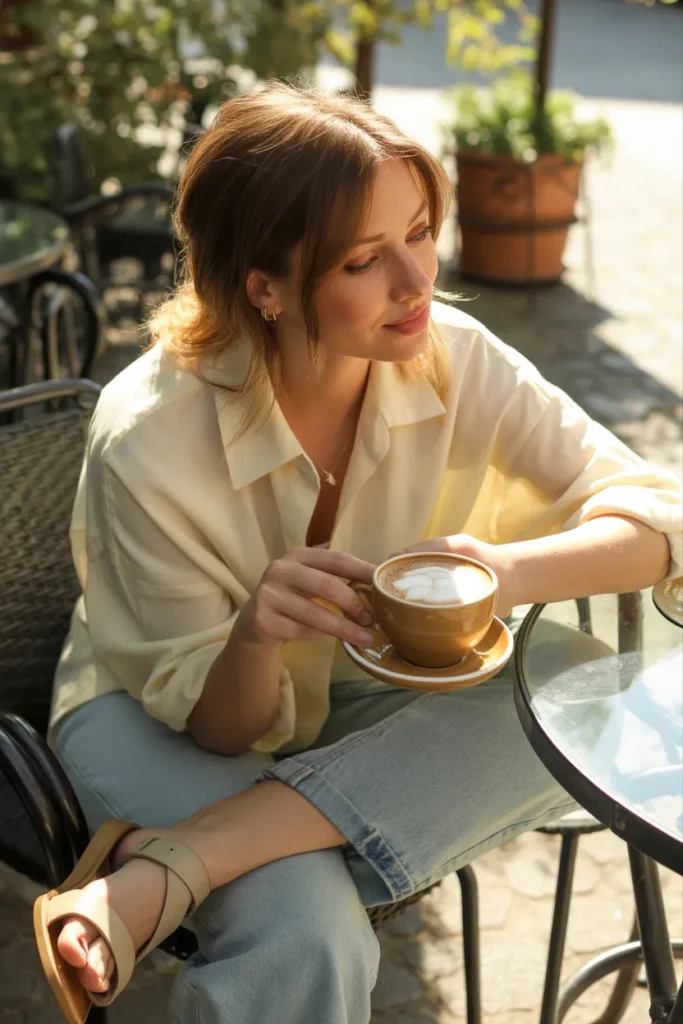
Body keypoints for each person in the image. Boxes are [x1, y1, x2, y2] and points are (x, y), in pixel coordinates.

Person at [39, 82, 681, 1024]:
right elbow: (219, 729)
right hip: (154, 718)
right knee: (308, 925)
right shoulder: (145, 437)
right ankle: (259, 847)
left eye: (419, 233)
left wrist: (503, 572)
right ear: (264, 287)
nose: (417, 281)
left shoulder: (452, 353)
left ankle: (167, 866)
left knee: (577, 693)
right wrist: (256, 635)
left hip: (359, 697)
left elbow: (659, 517)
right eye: (364, 260)